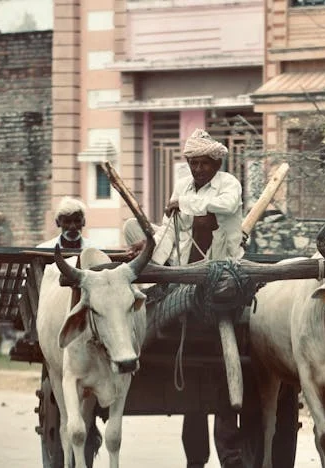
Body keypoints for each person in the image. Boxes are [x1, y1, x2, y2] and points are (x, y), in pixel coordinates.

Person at [124, 128, 244, 468]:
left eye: (204, 164)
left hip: (223, 275)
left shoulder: (229, 185)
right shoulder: (183, 185)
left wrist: (184, 203)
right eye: (193, 164)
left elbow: (226, 207)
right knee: (136, 234)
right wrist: (147, 254)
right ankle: (197, 460)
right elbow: (170, 230)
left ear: (216, 163)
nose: (198, 170)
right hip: (182, 277)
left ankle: (231, 455)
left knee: (226, 364)